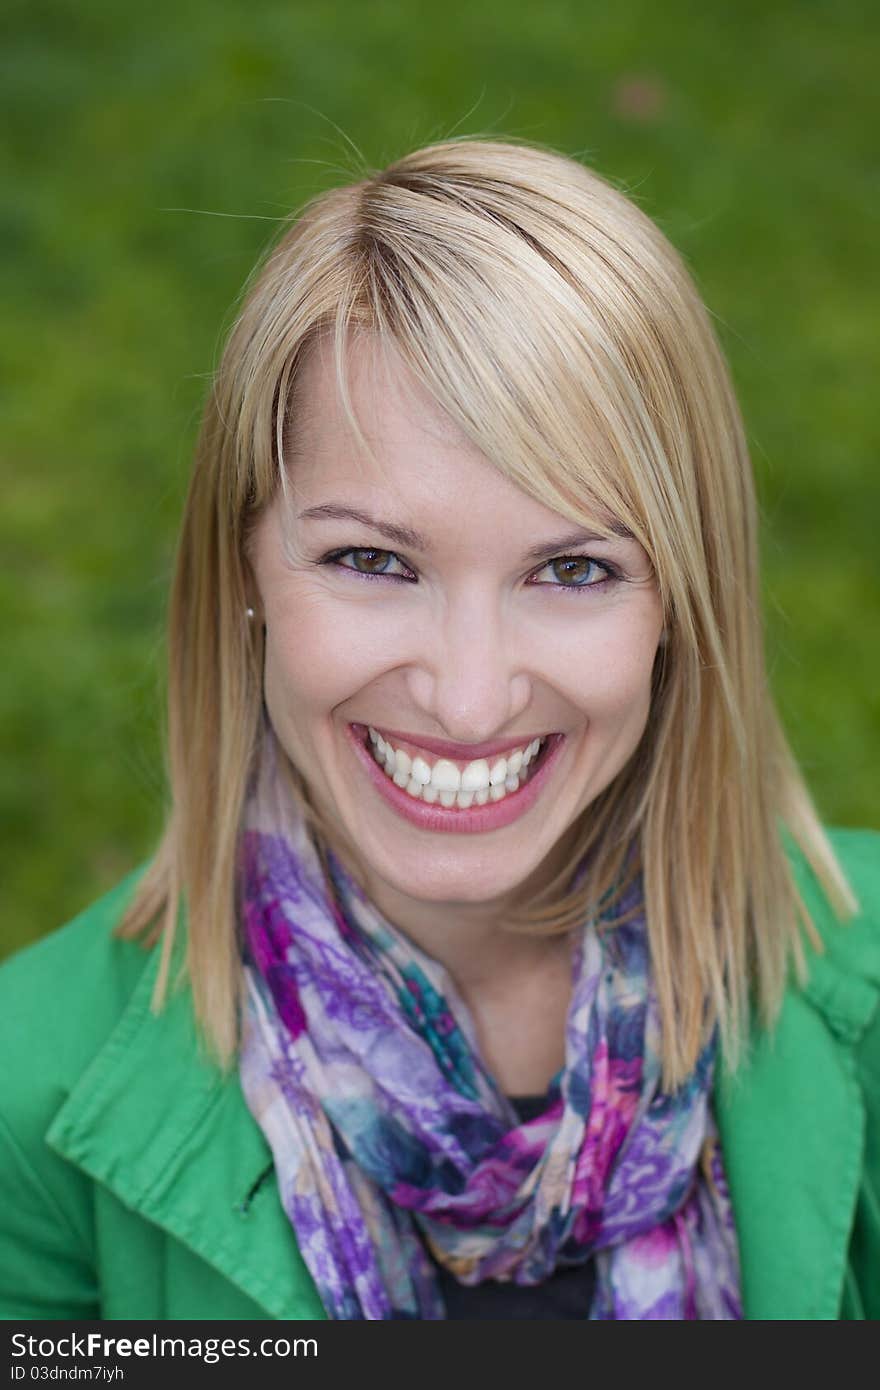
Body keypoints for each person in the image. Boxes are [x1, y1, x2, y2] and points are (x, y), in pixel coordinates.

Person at [1, 137, 878, 1322]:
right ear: (244, 563)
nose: (469, 701)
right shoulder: (26, 1101)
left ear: (683, 600)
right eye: (373, 560)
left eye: (572, 569)